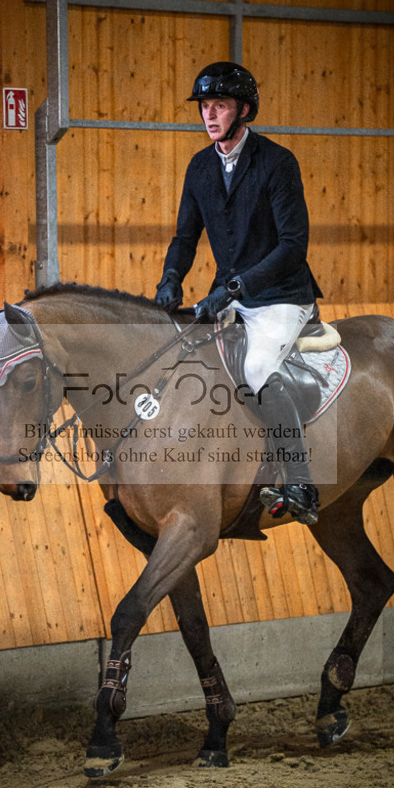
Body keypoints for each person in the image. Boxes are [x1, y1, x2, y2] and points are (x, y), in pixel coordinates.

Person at [155, 61, 322, 525]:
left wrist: (235, 288)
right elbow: (185, 237)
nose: (210, 115)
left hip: (281, 294)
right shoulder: (200, 167)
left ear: (243, 110)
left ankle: (301, 483)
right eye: (206, 107)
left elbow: (293, 246)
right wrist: (171, 277)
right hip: (229, 295)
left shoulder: (277, 163)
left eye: (220, 106)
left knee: (256, 367)